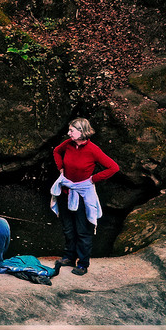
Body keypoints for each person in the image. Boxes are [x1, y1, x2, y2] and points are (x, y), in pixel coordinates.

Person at [51, 117, 119, 276]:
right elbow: (56, 151)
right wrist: (60, 167)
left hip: (83, 194)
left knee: (83, 230)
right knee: (68, 228)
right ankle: (69, 257)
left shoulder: (93, 150)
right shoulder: (68, 144)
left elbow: (113, 167)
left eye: (71, 131)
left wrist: (94, 178)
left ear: (82, 132)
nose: (68, 133)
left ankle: (83, 263)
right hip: (66, 191)